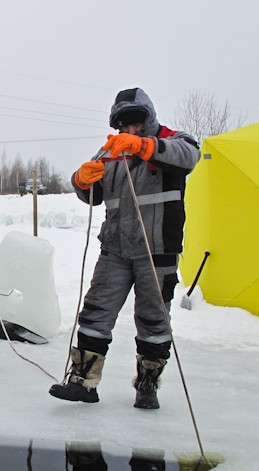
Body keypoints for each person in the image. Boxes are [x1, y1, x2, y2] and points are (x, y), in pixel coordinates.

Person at [49, 88, 200, 409]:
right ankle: (83, 382)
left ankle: (148, 384)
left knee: (154, 320)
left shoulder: (173, 140)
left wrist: (144, 146)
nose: (130, 128)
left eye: (136, 121)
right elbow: (93, 193)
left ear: (148, 118)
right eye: (124, 123)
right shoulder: (111, 151)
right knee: (94, 313)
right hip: (115, 249)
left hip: (156, 250)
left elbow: (189, 158)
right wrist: (81, 180)